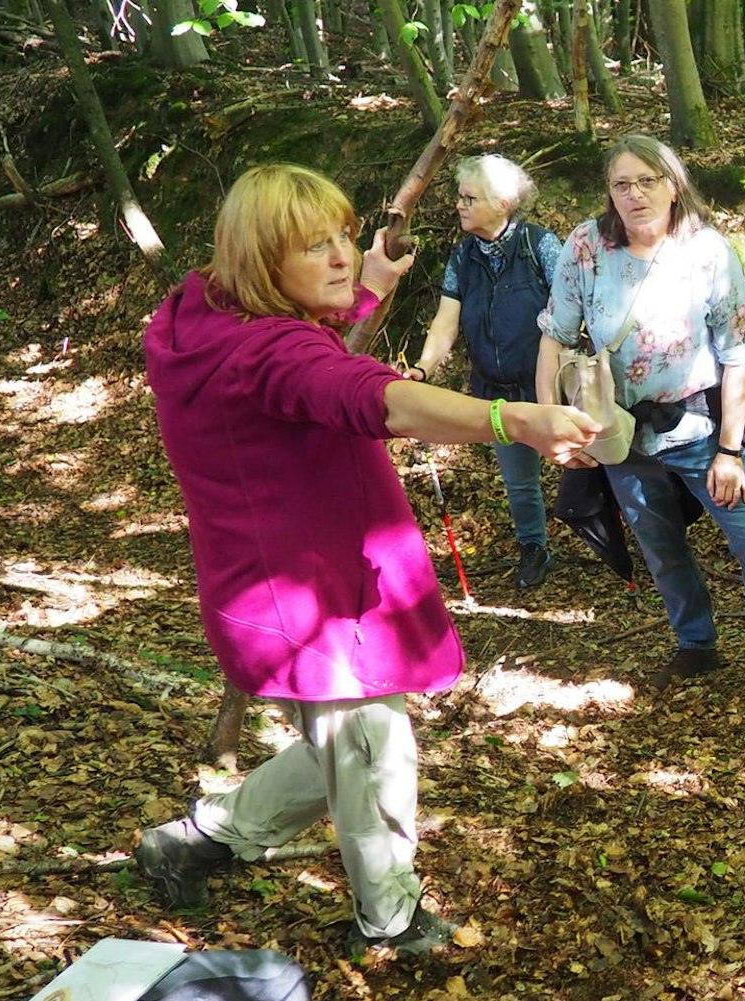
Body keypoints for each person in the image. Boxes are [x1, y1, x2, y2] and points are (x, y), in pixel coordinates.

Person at [136, 164, 600, 954]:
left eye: (342, 237)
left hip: (282, 582)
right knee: (374, 746)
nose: (341, 256)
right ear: (260, 259)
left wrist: (367, 291)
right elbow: (372, 396)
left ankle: (197, 835)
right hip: (309, 597)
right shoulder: (267, 352)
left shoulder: (203, 314)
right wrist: (512, 418)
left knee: (342, 747)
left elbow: (307, 348)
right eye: (313, 247)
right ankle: (389, 918)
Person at [535, 135, 745, 710]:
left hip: (699, 431)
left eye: (647, 181)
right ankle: (696, 644)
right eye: (621, 184)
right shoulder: (586, 246)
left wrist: (730, 452)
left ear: (673, 185)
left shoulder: (706, 251)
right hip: (621, 435)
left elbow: (738, 353)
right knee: (660, 546)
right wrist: (551, 425)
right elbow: (554, 336)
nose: (634, 195)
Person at [405, 154, 567, 588]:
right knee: (519, 481)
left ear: (503, 202)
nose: (460, 205)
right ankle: (534, 548)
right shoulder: (464, 255)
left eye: (470, 198)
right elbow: (446, 320)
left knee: (587, 466)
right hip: (496, 390)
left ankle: (616, 539)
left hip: (553, 385)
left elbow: (575, 307)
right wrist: (423, 367)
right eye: (460, 197)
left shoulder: (540, 245)